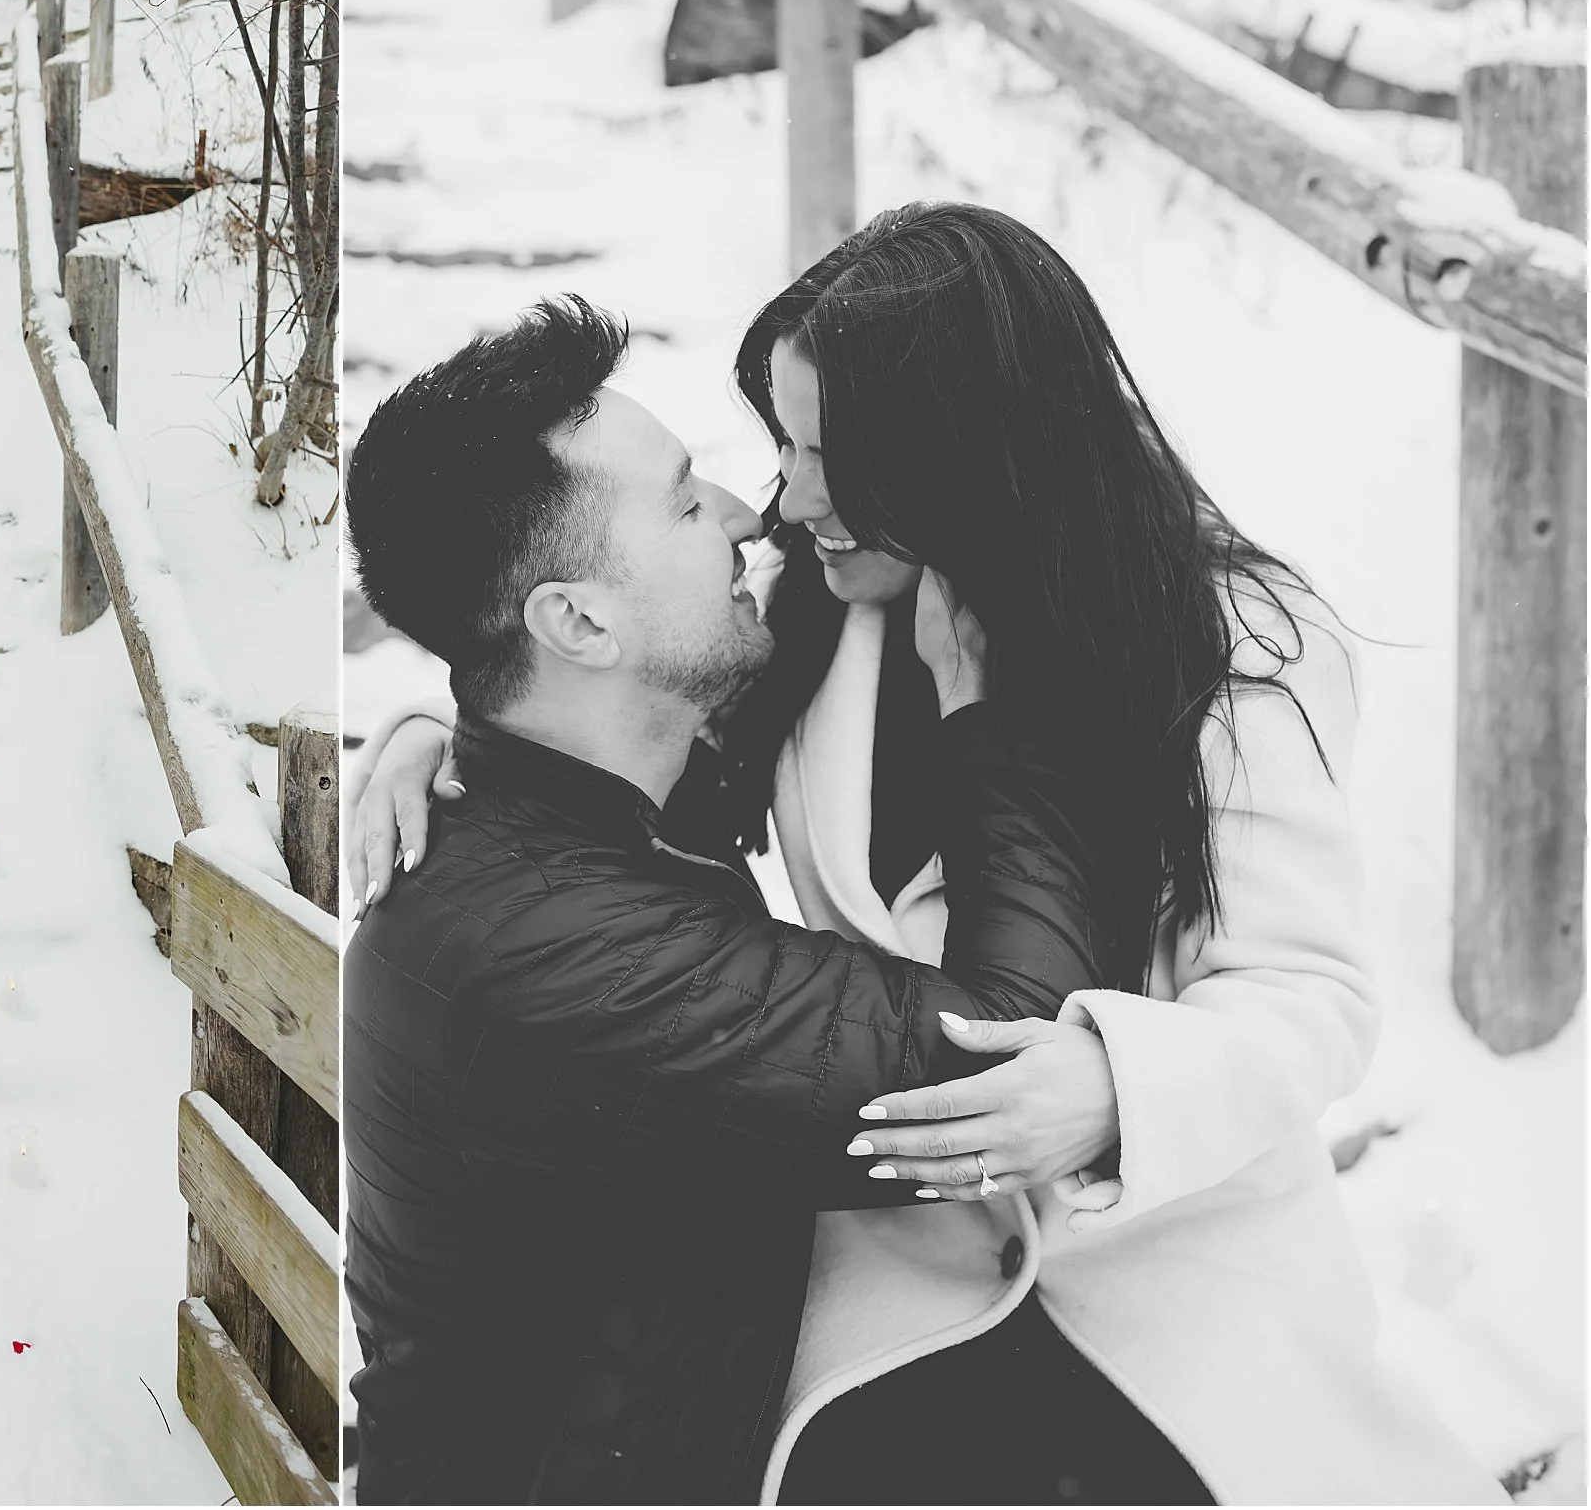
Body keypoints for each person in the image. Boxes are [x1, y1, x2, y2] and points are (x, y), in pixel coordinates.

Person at [353, 210, 1504, 1507]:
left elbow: (1309, 997)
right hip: (898, 1273)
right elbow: (603, 708)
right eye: (784, 440)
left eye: (827, 452)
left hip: (1166, 1269)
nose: (785, 497)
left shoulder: (1229, 641)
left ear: (961, 454)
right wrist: (445, 741)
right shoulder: (824, 605)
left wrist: (1119, 1084)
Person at [341, 294, 1110, 1506]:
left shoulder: (555, 804)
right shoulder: (561, 957)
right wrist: (990, 711)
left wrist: (431, 721)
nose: (753, 517)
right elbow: (1003, 1036)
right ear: (578, 619)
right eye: (689, 499)